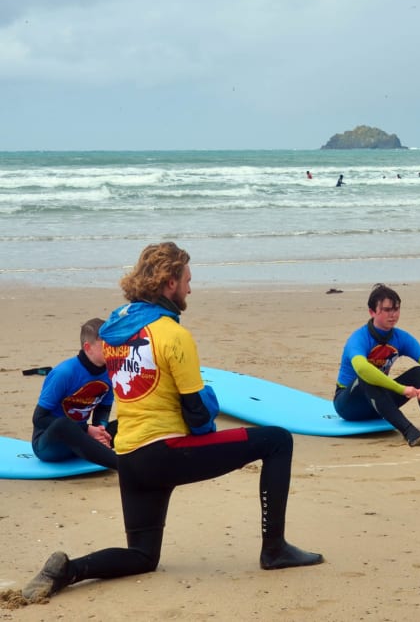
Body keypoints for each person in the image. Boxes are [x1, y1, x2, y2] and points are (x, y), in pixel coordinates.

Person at [22, 242, 322, 603]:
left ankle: (69, 570)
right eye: (187, 281)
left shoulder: (115, 332)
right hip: (166, 453)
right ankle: (274, 549)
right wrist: (208, 411)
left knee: (143, 556)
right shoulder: (173, 335)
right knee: (278, 440)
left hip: (130, 459)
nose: (190, 289)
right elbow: (196, 414)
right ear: (169, 283)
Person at [333, 283, 420, 447]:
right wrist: (400, 389)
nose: (393, 315)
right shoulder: (359, 338)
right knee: (367, 375)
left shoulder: (400, 338)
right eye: (387, 310)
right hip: (349, 405)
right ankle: (409, 431)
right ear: (372, 312)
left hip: (379, 402)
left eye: (396, 309)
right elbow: (362, 368)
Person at [30, 318, 118, 470]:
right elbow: (39, 418)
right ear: (87, 347)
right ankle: (121, 466)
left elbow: (103, 409)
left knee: (130, 421)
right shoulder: (64, 373)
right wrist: (87, 430)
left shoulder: (110, 374)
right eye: (105, 345)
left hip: (83, 441)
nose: (111, 348)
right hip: (50, 445)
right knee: (63, 423)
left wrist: (100, 431)